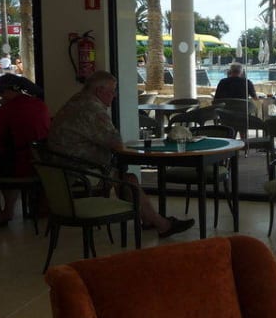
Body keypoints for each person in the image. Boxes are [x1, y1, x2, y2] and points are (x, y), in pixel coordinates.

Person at [47, 71, 193, 239]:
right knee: (128, 180)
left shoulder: (76, 101)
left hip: (60, 168)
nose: (114, 95)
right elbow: (116, 142)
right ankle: (162, 224)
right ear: (99, 91)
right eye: (112, 90)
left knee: (126, 178)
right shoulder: (92, 109)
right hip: (78, 172)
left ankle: (150, 220)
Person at [0, 74, 51, 227]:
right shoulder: (40, 105)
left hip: (20, 164)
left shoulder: (6, 110)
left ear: (5, 92)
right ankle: (8, 211)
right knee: (4, 162)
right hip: (42, 163)